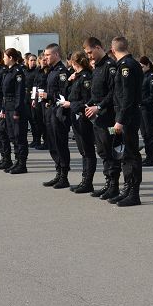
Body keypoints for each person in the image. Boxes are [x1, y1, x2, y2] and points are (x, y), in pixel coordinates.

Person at [83, 37, 122, 199]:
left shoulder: (109, 67)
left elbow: (113, 93)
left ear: (98, 47)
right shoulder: (97, 68)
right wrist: (89, 104)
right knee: (102, 151)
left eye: (90, 52)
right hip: (98, 118)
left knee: (110, 150)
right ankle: (108, 183)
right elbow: (96, 93)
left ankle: (114, 186)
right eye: (87, 54)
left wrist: (98, 107)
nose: (89, 56)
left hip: (109, 117)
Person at [109, 36, 143, 207]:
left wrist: (120, 120)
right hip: (125, 115)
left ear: (112, 50)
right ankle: (127, 189)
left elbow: (127, 96)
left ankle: (134, 193)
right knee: (125, 155)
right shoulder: (129, 64)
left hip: (127, 117)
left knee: (130, 154)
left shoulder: (126, 66)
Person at [63, 51, 97, 193]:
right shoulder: (76, 77)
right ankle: (85, 180)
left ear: (74, 62)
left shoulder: (86, 77)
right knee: (82, 150)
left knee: (87, 150)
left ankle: (87, 181)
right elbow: (69, 94)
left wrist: (71, 105)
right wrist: (69, 81)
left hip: (84, 117)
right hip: (76, 117)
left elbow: (87, 100)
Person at [40, 44, 72, 189]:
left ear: (56, 54)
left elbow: (63, 94)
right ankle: (58, 173)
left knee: (60, 144)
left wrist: (49, 96)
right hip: (50, 111)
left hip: (59, 113)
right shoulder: (51, 71)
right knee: (52, 144)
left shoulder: (61, 72)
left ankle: (64, 176)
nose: (45, 57)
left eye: (47, 55)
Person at [139, 56, 153, 167]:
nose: (141, 68)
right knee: (144, 134)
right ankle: (148, 156)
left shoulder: (151, 77)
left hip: (148, 109)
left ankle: (151, 158)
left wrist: (142, 102)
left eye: (142, 66)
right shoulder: (142, 76)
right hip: (141, 109)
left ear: (147, 65)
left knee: (150, 133)